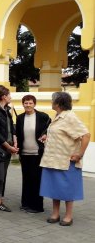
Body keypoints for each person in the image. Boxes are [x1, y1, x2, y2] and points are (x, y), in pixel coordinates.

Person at [40, 92, 90, 226]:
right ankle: (55, 214)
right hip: (52, 159)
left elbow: (86, 135)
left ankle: (68, 216)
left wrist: (80, 154)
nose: (51, 102)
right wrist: (47, 137)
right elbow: (61, 134)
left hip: (66, 161)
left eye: (52, 100)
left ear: (58, 103)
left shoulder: (70, 117)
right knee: (54, 188)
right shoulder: (57, 116)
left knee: (67, 189)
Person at [16, 94, 51, 213]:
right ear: (23, 104)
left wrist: (46, 135)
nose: (28, 105)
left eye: (30, 103)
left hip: (38, 154)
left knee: (36, 179)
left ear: (34, 104)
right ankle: (25, 203)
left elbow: (50, 129)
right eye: (26, 103)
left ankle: (37, 206)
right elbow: (18, 134)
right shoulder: (20, 118)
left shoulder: (43, 116)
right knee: (26, 179)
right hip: (24, 153)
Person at [0, 86, 18, 212]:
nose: (10, 97)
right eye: (9, 95)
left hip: (9, 146)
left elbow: (12, 127)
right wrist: (8, 146)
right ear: (3, 97)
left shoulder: (7, 109)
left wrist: (15, 143)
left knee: (3, 175)